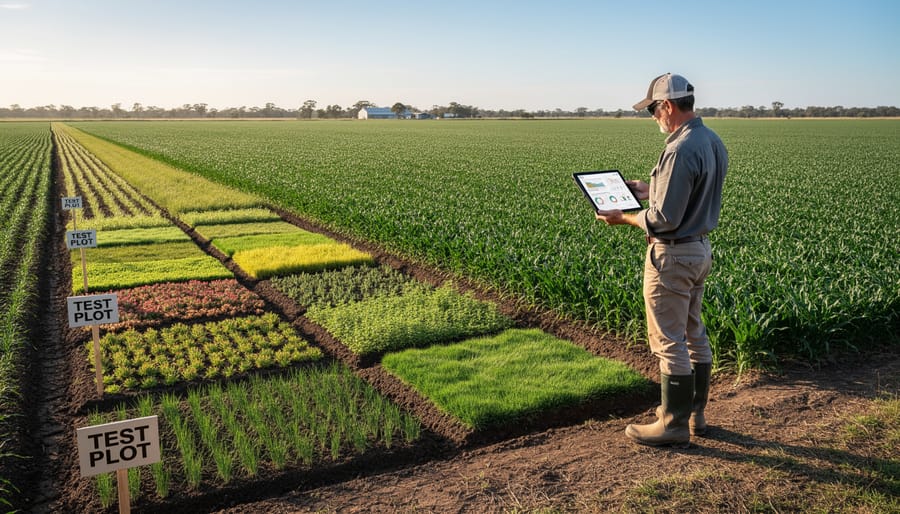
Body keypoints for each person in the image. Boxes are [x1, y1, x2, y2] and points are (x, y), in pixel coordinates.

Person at [596, 73, 728, 446]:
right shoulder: (710, 140)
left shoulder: (678, 149)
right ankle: (694, 414)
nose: (653, 116)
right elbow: (690, 191)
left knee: (669, 340)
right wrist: (649, 187)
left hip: (672, 255)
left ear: (668, 106)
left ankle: (672, 424)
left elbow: (663, 219)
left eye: (653, 109)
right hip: (700, 249)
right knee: (693, 333)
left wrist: (622, 216)